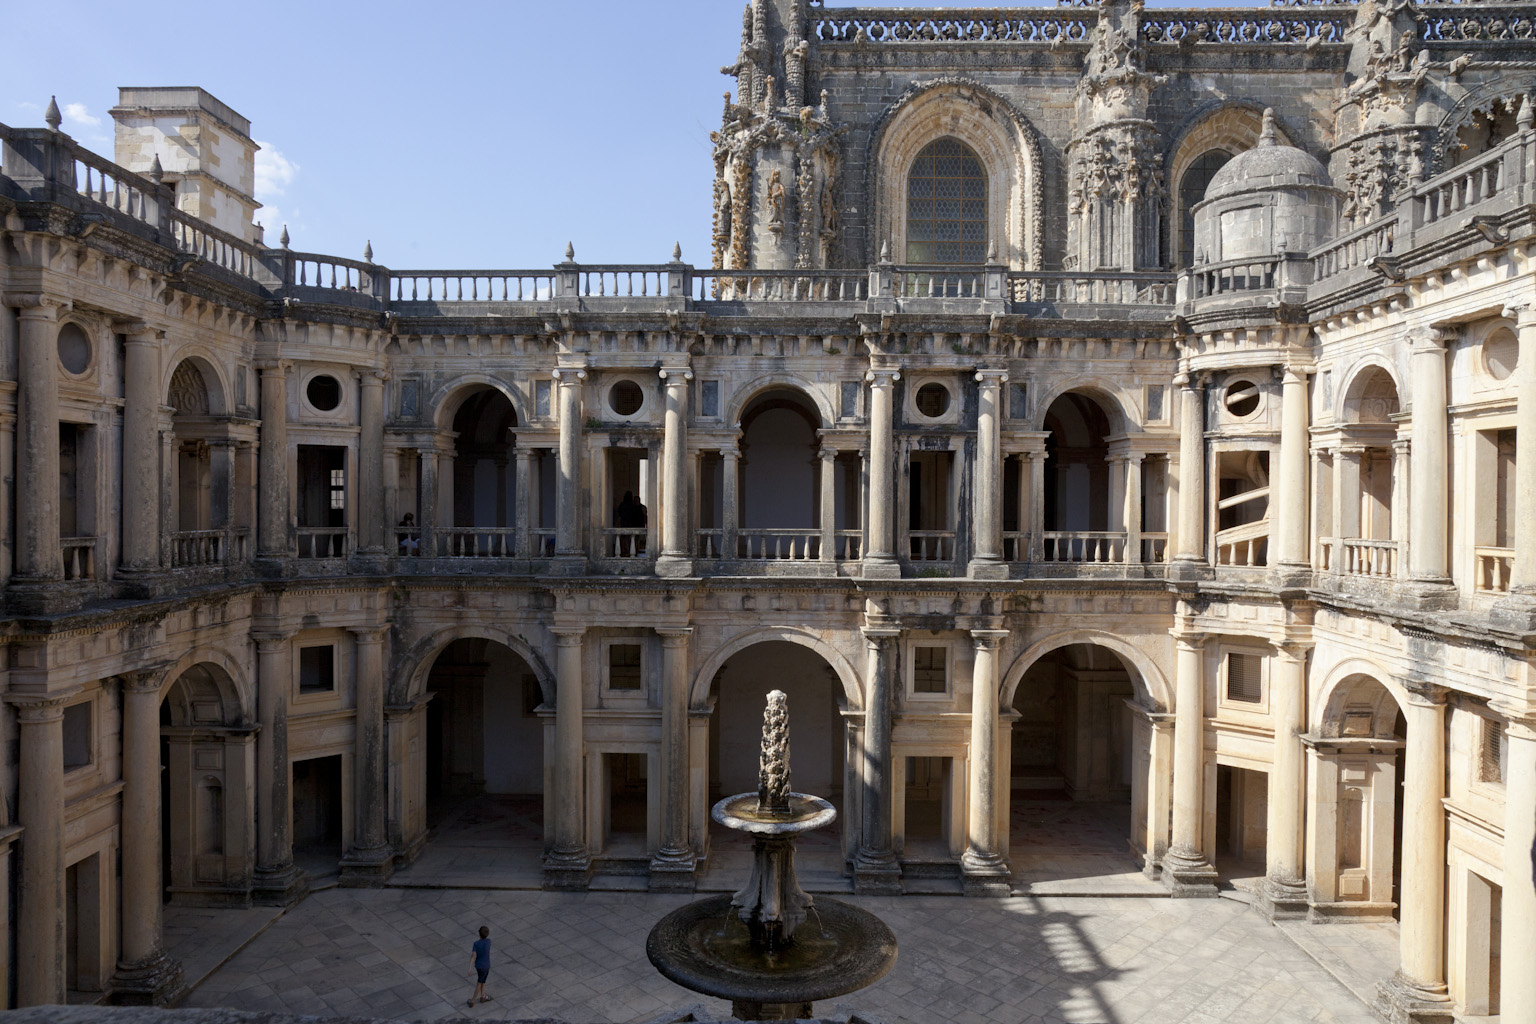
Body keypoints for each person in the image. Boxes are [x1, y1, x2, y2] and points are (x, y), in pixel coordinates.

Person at [468, 925, 492, 1007]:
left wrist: (470, 967)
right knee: (480, 981)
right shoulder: (489, 942)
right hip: (486, 965)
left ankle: (483, 996)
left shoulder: (476, 944)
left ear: (479, 934)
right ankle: (473, 1000)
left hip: (478, 966)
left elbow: (473, 956)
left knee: (482, 981)